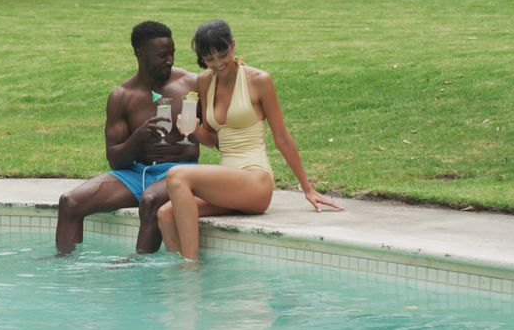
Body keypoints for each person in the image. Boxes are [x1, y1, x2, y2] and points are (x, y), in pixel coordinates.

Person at [157, 20, 343, 261]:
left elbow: (282, 137)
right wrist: (192, 129)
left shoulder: (259, 80)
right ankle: (177, 275)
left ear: (233, 45)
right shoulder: (204, 82)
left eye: (223, 54)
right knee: (165, 214)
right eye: (210, 58)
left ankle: (190, 269)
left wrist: (307, 188)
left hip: (255, 181)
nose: (219, 63)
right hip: (229, 182)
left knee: (177, 175)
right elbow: (214, 141)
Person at [56, 21, 199, 255]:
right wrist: (139, 136)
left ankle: (136, 269)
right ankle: (64, 271)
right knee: (70, 202)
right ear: (140, 54)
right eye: (162, 56)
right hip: (135, 174)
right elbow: (116, 160)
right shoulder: (122, 97)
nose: (170, 61)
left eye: (172, 54)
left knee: (151, 200)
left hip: (178, 172)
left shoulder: (191, 85)